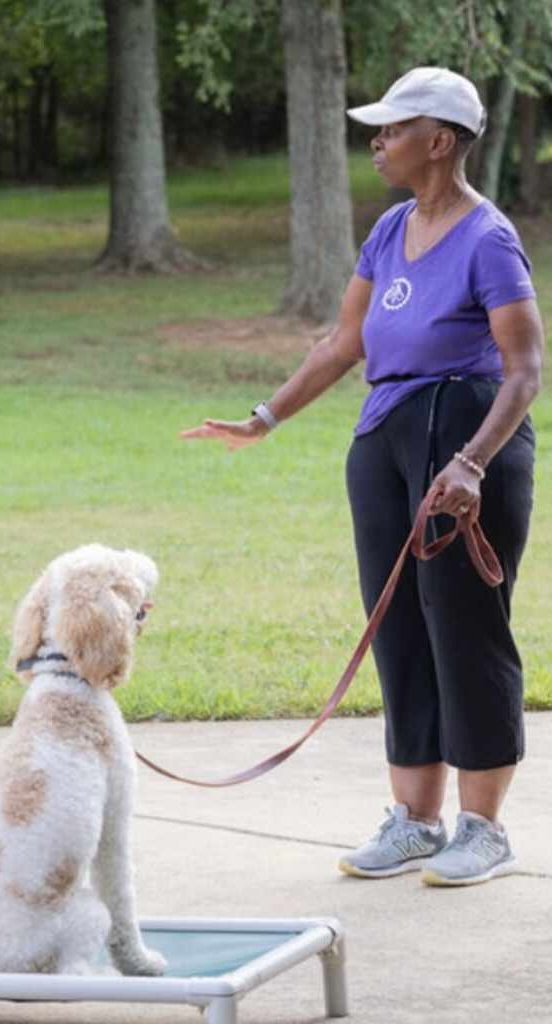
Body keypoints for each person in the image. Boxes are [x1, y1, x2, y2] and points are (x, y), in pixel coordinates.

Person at [182, 67, 543, 887]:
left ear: (440, 141)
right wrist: (263, 417)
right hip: (383, 437)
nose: (377, 141)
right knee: (396, 629)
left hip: (465, 436)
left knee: (464, 625)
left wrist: (471, 462)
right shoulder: (387, 230)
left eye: (393, 128)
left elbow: (524, 371)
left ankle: (482, 827)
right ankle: (415, 821)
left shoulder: (489, 239)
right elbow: (343, 344)